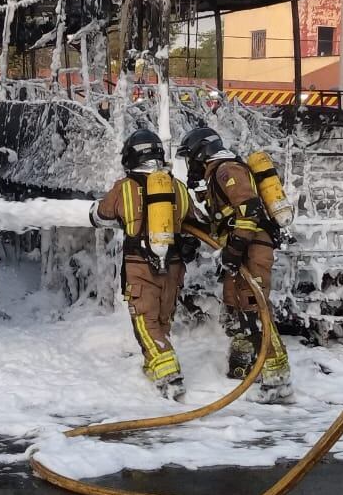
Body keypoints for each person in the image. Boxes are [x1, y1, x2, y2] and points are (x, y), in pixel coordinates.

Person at [177, 126, 293, 404]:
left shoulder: (226, 170)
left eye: (190, 158)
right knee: (236, 306)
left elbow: (249, 209)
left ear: (201, 152)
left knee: (256, 310)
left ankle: (278, 381)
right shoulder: (217, 173)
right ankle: (242, 365)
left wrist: (235, 248)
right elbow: (226, 216)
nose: (189, 165)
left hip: (251, 249)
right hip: (243, 250)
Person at [90, 128, 196, 401]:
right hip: (173, 266)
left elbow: (101, 215)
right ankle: (154, 365)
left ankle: (169, 376)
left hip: (141, 264)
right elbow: (193, 221)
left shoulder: (125, 188)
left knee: (145, 321)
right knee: (162, 319)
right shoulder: (176, 187)